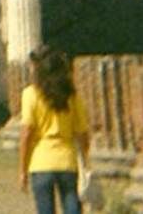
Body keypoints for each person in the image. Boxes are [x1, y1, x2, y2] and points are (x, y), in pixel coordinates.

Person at [19, 45, 90, 214]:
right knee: (72, 207)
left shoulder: (30, 94)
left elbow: (27, 133)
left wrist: (22, 169)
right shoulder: (72, 96)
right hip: (67, 160)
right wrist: (85, 160)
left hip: (41, 161)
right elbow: (82, 133)